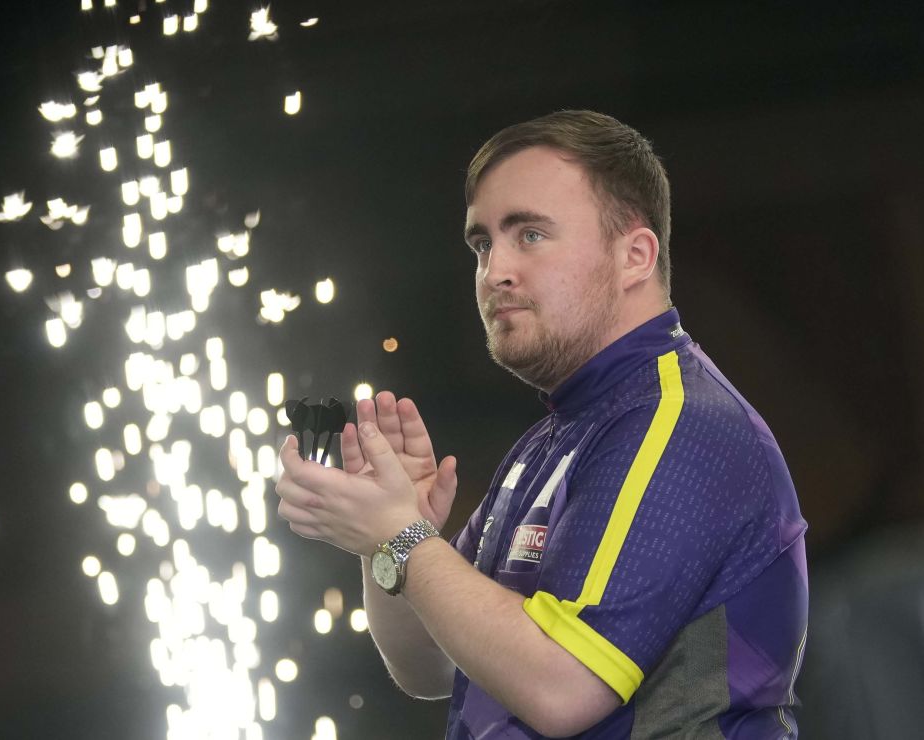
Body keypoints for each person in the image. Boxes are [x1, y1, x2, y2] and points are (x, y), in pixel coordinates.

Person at [275, 110, 808, 738]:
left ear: (635, 255)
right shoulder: (557, 438)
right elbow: (430, 666)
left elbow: (563, 687)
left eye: (529, 234)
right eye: (482, 243)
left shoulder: (678, 425)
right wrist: (387, 537)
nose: (495, 269)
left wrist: (403, 539)